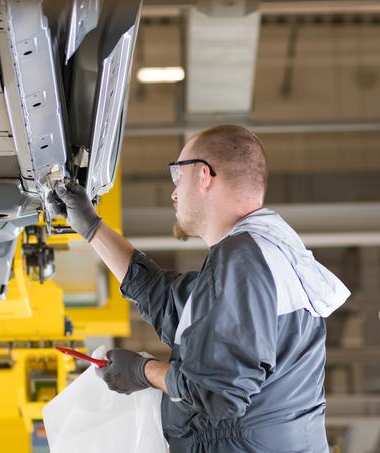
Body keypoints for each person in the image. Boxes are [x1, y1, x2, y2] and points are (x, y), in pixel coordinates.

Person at [47, 124, 351, 452]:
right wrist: (91, 227)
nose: (175, 193)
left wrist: (142, 371)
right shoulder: (264, 255)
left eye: (179, 177)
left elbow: (220, 393)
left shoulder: (244, 261)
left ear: (203, 175)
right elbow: (166, 300)